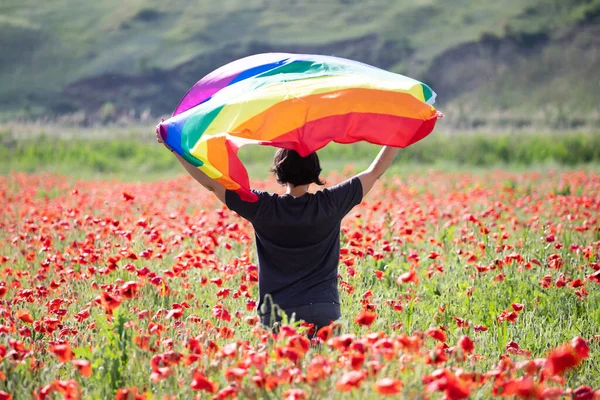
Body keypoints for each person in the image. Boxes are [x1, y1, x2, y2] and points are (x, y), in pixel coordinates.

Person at [157, 132, 399, 332]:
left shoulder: (263, 207)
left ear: (279, 172)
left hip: (277, 313)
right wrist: (402, 132)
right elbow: (375, 171)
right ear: (314, 170)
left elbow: (212, 184)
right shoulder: (330, 204)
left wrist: (175, 149)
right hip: (323, 310)